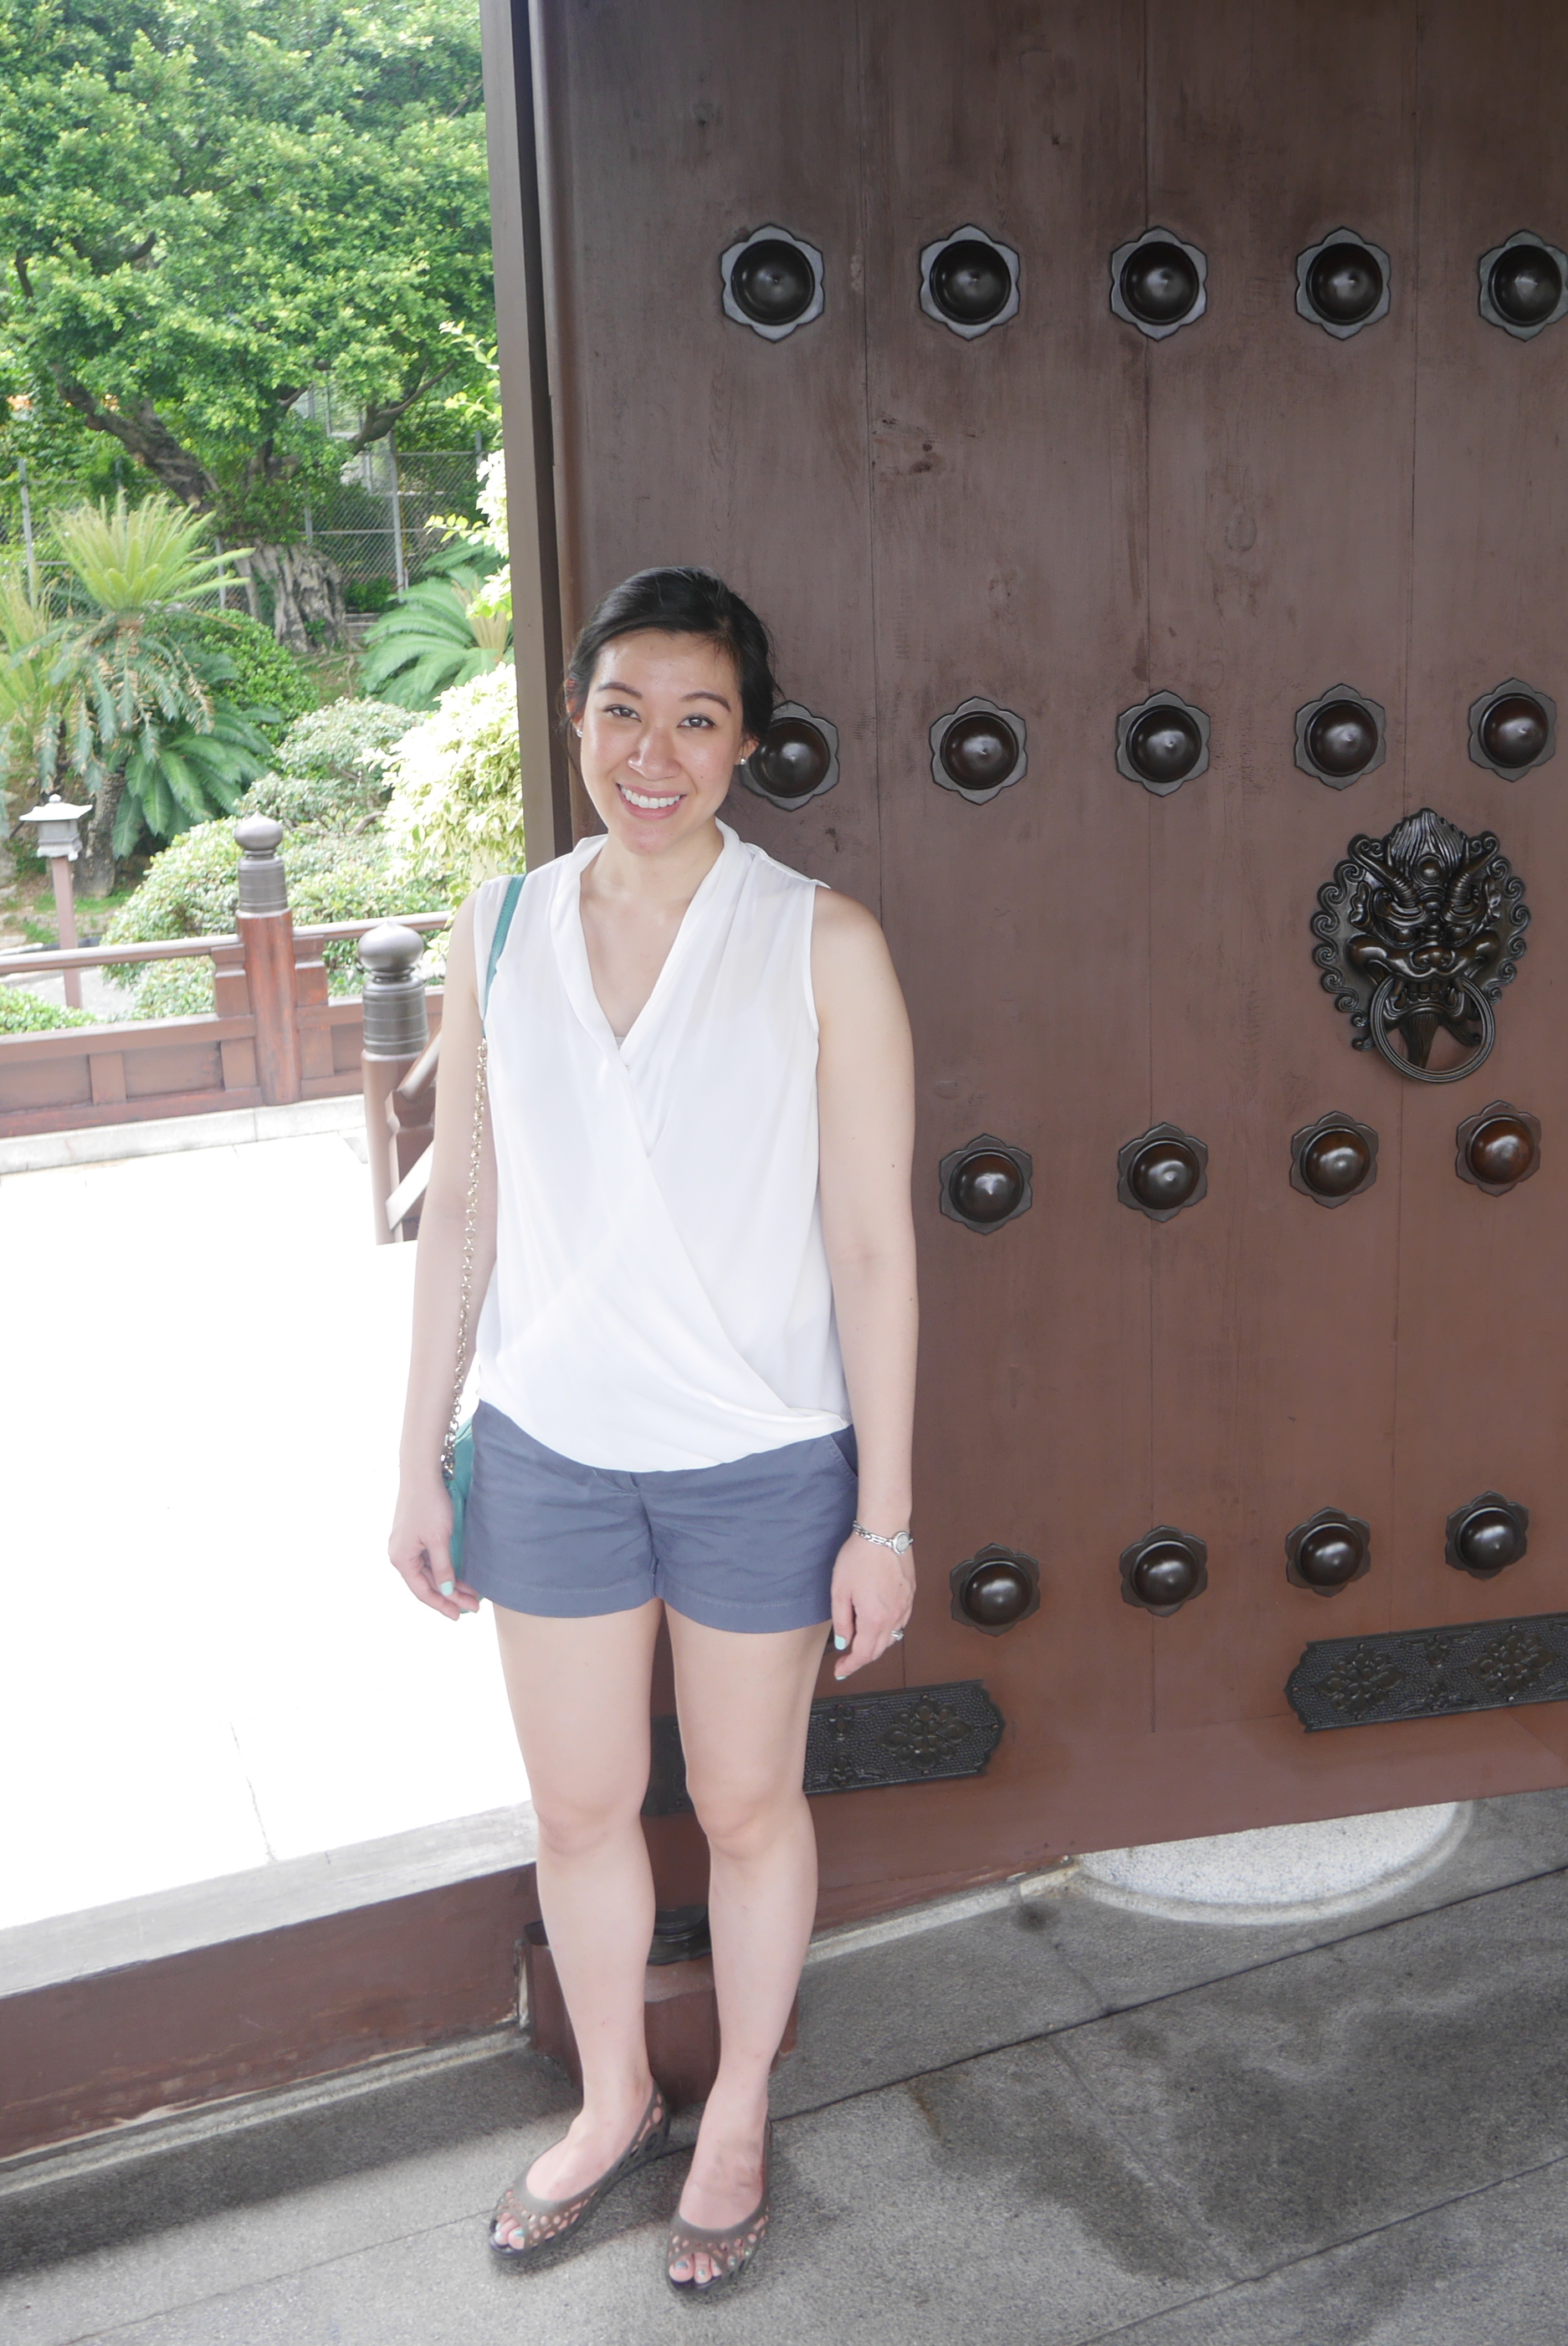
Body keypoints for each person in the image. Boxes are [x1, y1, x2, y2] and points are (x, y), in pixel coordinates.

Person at [387, 566, 917, 2293]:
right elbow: (458, 1202)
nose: (654, 749)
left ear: (746, 741)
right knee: (584, 1803)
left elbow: (867, 1242)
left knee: (751, 1804)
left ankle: (742, 2101)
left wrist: (884, 1515)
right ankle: (616, 2093)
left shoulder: (818, 936)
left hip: (761, 1451)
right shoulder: (499, 925)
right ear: (574, 715)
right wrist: (418, 1456)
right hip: (544, 1444)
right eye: (623, 708)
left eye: (697, 717)